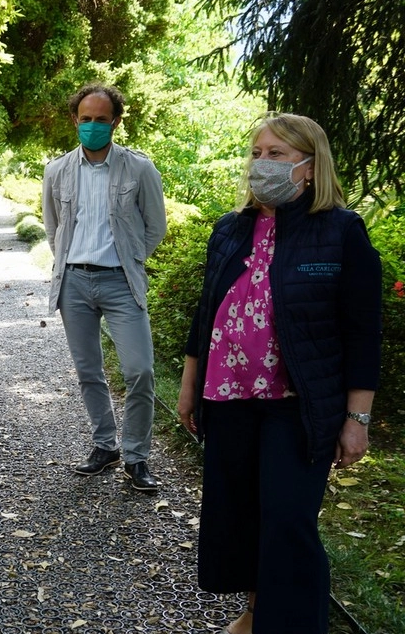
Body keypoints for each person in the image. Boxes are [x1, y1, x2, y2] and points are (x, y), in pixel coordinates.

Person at [175, 112, 381, 634]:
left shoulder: (340, 231)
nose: (261, 164)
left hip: (298, 405)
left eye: (278, 155)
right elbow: (206, 315)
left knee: (288, 520)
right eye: (257, 153)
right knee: (243, 514)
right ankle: (254, 611)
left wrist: (357, 417)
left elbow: (362, 331)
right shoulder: (230, 228)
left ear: (309, 168)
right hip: (229, 397)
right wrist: (188, 386)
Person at [42, 83, 168, 491]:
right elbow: (53, 229)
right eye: (85, 119)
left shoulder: (139, 169)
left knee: (140, 370)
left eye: (101, 119)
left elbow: (155, 227)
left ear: (115, 121)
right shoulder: (56, 170)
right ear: (73, 120)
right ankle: (104, 445)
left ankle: (137, 456)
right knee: (88, 372)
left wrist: (128, 257)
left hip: (121, 283)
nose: (93, 126)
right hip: (74, 283)